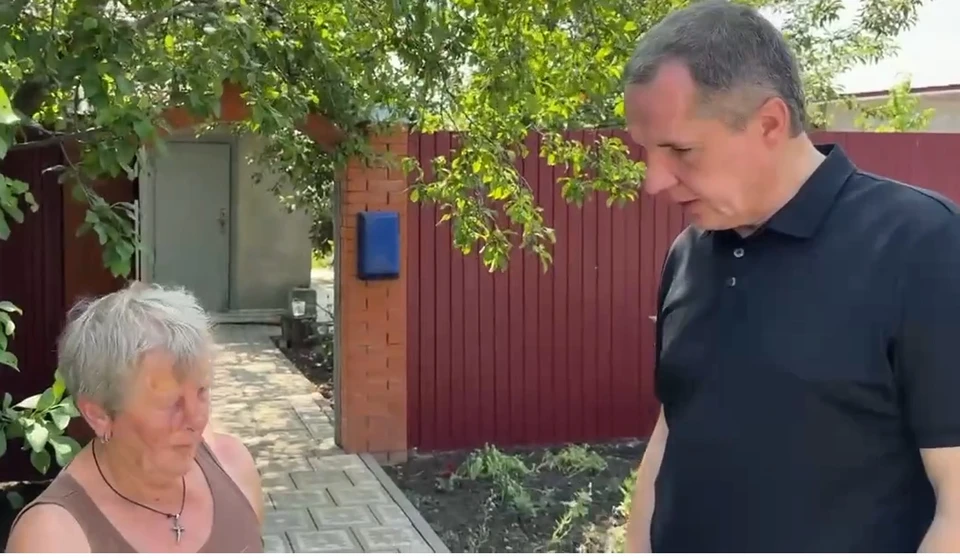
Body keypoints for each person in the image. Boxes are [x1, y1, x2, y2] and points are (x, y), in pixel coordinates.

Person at [621, 0, 960, 553]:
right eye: (647, 152)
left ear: (770, 124)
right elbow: (671, 431)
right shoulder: (689, 253)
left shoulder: (924, 245)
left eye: (680, 150)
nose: (654, 180)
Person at [4, 283, 264, 553]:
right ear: (99, 415)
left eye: (201, 391)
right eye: (171, 403)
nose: (196, 419)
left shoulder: (233, 467)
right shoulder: (51, 538)